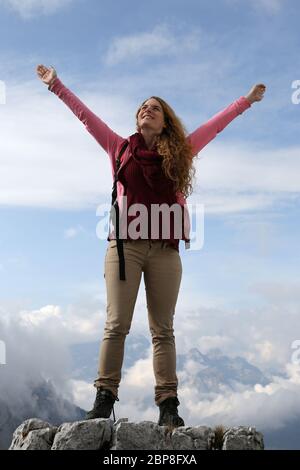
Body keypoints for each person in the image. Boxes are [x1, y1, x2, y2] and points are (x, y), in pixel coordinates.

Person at [36, 64, 266, 427]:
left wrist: (247, 100)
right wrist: (56, 86)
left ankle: (168, 405)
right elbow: (85, 117)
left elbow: (216, 125)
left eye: (155, 107)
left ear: (165, 122)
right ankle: (104, 398)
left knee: (163, 329)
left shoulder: (182, 151)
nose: (147, 109)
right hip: (124, 249)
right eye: (143, 106)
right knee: (116, 325)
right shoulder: (119, 148)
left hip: (164, 250)